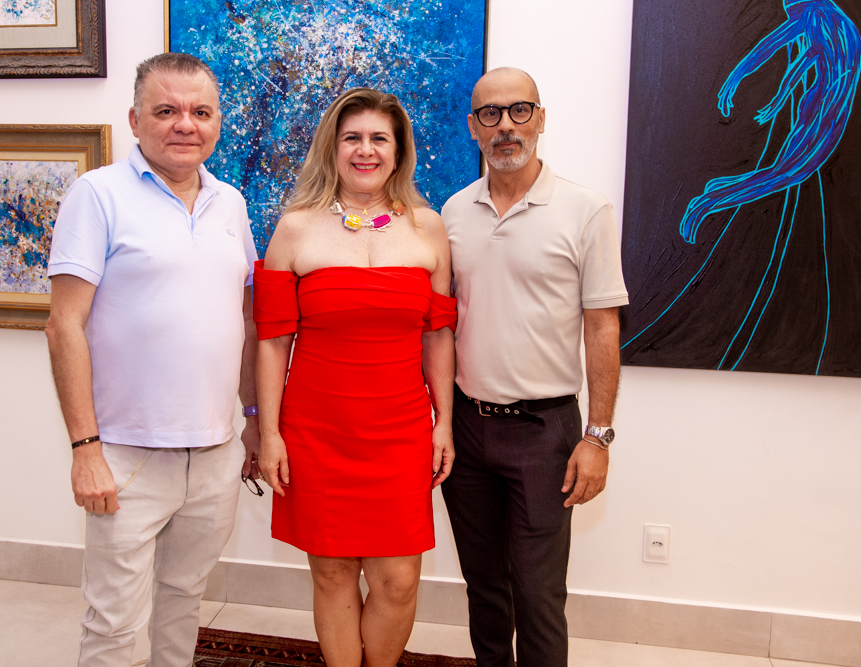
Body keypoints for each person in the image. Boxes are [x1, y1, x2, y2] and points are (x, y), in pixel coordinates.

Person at [45, 53, 260, 667]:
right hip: (126, 455)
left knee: (184, 599)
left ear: (217, 122)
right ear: (135, 120)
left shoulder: (230, 202)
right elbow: (63, 326)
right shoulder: (97, 194)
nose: (185, 124)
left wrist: (250, 419)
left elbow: (245, 319)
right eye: (166, 110)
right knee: (114, 622)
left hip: (214, 452)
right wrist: (85, 450)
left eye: (200, 112)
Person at [253, 88, 457, 667]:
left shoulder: (428, 229)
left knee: (399, 580)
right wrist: (269, 433)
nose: (365, 150)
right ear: (333, 147)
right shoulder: (295, 229)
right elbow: (272, 341)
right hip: (317, 429)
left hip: (401, 428)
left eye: (378, 139)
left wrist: (444, 422)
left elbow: (438, 335)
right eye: (352, 138)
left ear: (398, 151)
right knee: (332, 572)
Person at [441, 67, 629, 667]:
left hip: (545, 433)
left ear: (541, 119)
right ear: (473, 128)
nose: (506, 126)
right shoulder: (452, 213)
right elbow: (441, 326)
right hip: (468, 428)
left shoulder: (586, 210)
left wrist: (597, 436)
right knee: (484, 588)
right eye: (490, 114)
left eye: (519, 110)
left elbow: (603, 327)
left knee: (539, 594)